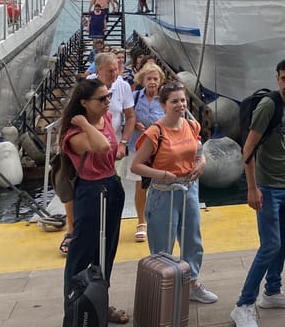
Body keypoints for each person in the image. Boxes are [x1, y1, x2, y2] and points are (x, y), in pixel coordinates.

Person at [231, 57, 285, 327]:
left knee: (284, 240)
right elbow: (248, 149)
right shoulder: (269, 106)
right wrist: (253, 188)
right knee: (270, 245)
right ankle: (243, 304)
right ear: (277, 79)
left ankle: (273, 291)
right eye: (283, 78)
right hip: (267, 187)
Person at [130, 81, 217, 304]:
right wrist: (161, 174)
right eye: (174, 101)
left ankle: (192, 284)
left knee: (192, 240)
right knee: (162, 245)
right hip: (163, 192)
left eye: (182, 100)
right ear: (163, 105)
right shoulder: (155, 132)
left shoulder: (191, 125)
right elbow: (136, 166)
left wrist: (202, 163)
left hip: (189, 188)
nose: (180, 104)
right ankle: (162, 291)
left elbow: (198, 151)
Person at [60, 78, 128, 324]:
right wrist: (83, 123)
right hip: (90, 192)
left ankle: (99, 302)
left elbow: (112, 150)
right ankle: (74, 308)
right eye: (101, 99)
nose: (108, 101)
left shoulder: (106, 118)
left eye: (108, 96)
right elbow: (101, 146)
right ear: (84, 103)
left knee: (106, 251)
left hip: (112, 186)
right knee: (81, 254)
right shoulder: (74, 134)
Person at [127, 63, 165, 242]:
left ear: (160, 81)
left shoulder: (165, 100)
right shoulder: (134, 98)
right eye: (148, 78)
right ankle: (141, 222)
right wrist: (134, 125)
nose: (152, 82)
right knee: (140, 185)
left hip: (160, 148)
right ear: (141, 80)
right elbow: (125, 120)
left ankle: (157, 219)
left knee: (160, 185)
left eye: (155, 79)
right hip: (138, 147)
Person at [91, 52, 135, 181]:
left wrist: (123, 144)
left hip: (114, 145)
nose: (114, 73)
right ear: (98, 71)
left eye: (116, 69)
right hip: (91, 145)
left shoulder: (123, 86)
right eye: (110, 71)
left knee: (114, 183)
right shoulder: (88, 86)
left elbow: (130, 117)